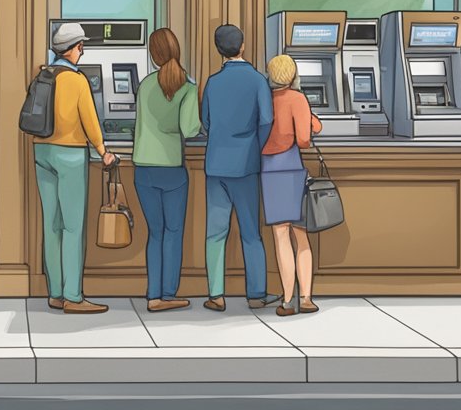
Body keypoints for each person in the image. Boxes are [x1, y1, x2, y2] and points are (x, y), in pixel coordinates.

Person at [36, 22, 117, 314]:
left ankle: (55, 293)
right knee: (72, 227)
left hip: (41, 151)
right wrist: (103, 151)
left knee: (51, 225)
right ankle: (73, 296)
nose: (82, 51)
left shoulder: (44, 74)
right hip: (70, 155)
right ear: (74, 48)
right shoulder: (77, 80)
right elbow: (91, 122)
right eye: (81, 46)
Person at [199, 24, 280, 312]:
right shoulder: (258, 80)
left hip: (216, 164)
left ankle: (216, 294)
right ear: (242, 46)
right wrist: (254, 146)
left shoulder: (212, 82)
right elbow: (267, 120)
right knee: (250, 232)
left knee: (215, 232)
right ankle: (256, 293)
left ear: (218, 50)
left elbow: (205, 122)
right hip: (246, 165)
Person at [132, 28, 201, 312]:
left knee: (155, 232)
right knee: (173, 231)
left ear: (153, 54)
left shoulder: (145, 85)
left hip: (143, 167)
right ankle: (168, 294)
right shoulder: (187, 86)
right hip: (172, 168)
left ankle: (152, 294)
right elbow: (190, 129)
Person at [262, 54, 322, 317]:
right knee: (301, 235)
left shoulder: (264, 100)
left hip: (269, 170)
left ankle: (287, 300)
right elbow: (306, 138)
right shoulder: (298, 99)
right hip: (293, 168)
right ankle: (306, 297)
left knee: (280, 236)